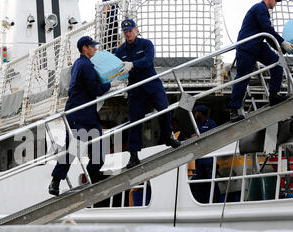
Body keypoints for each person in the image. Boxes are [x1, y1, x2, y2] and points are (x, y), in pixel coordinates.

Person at [48, 36, 113, 196]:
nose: (95, 49)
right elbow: (94, 89)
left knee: (95, 144)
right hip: (79, 112)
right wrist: (110, 82)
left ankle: (92, 172)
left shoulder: (80, 64)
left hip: (85, 112)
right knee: (74, 148)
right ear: (85, 48)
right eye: (93, 46)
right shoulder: (85, 65)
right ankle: (55, 181)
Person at [115, 19, 180, 169]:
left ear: (136, 30)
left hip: (152, 84)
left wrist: (132, 64)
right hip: (135, 89)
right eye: (125, 32)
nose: (128, 33)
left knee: (165, 110)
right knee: (135, 121)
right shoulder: (120, 51)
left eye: (130, 30)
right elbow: (116, 67)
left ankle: (168, 137)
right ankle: (133, 155)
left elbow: (148, 60)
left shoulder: (146, 44)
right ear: (123, 33)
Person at [228, 0, 293, 123]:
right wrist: (283, 43)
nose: (276, 3)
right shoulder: (259, 8)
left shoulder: (263, 10)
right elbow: (267, 29)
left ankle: (274, 95)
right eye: (276, 0)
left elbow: (268, 36)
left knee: (277, 63)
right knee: (243, 78)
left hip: (258, 45)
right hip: (247, 47)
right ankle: (233, 110)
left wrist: (282, 49)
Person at [190, 105, 220, 203]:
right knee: (198, 181)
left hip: (209, 158)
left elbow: (214, 137)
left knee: (211, 181)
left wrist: (199, 136)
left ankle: (215, 199)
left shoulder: (211, 123)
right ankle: (201, 200)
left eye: (196, 112)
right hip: (199, 159)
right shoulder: (197, 125)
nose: (195, 114)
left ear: (200, 113)